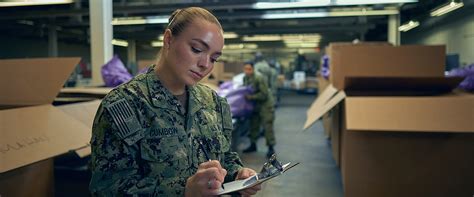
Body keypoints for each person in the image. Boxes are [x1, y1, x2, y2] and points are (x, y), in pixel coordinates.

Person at [89, 7, 261, 196]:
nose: (205, 64)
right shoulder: (125, 105)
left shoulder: (213, 103)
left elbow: (225, 158)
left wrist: (237, 175)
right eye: (197, 49)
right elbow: (107, 189)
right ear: (168, 39)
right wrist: (183, 191)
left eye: (214, 58)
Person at [242, 62, 276, 158]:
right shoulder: (245, 78)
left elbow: (264, 94)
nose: (247, 71)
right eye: (245, 69)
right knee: (253, 125)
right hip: (255, 104)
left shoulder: (259, 78)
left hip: (265, 104)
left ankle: (271, 148)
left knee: (267, 126)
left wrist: (251, 97)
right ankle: (253, 145)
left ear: (253, 69)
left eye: (249, 69)